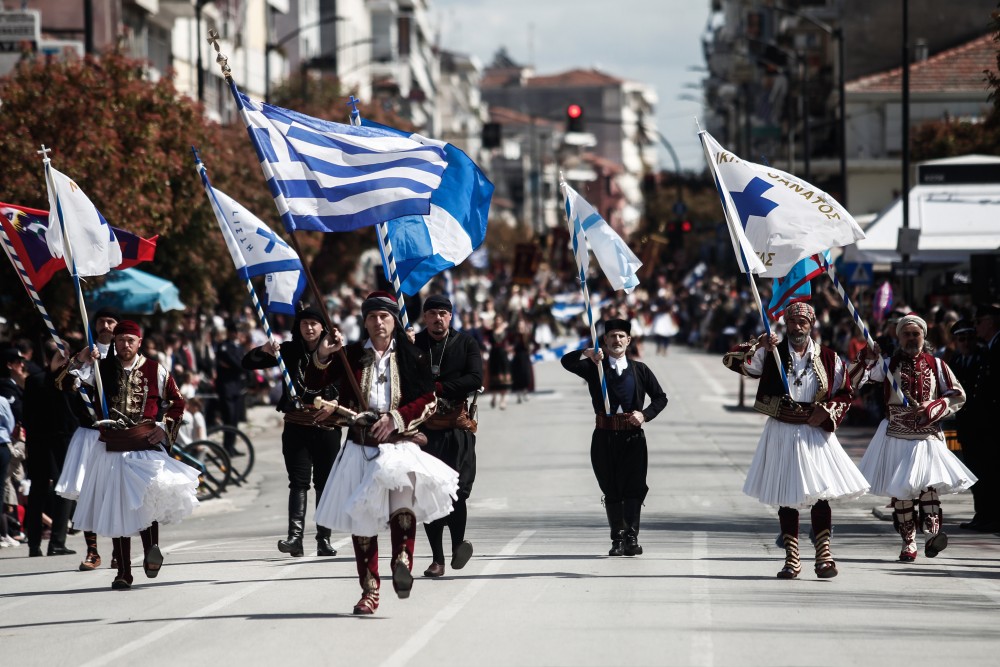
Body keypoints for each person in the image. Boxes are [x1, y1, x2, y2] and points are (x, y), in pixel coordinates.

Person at [314, 291, 459, 615]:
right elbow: (314, 387)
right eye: (372, 317)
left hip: (398, 446)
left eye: (384, 316)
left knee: (401, 504)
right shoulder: (350, 356)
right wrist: (323, 355)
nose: (378, 322)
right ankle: (369, 591)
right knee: (362, 524)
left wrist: (396, 417)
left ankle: (402, 560)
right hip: (360, 449)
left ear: (394, 320)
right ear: (364, 321)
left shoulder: (411, 356)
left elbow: (428, 399)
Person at [723, 303, 868, 579]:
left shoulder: (828, 357)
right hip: (782, 429)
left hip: (815, 432)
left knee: (821, 493)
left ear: (811, 325)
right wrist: (759, 344)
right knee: (786, 496)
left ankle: (824, 556)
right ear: (786, 325)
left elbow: (846, 392)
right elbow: (732, 361)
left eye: (803, 322)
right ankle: (792, 559)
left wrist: (825, 411)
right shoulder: (772, 353)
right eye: (793, 322)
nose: (798, 327)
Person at [64, 320, 199, 589]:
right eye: (120, 340)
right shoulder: (101, 369)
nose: (125, 345)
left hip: (144, 445)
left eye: (130, 340)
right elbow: (67, 383)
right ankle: (123, 572)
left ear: (139, 342)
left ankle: (152, 549)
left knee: (146, 503)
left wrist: (164, 429)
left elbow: (177, 402)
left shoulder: (155, 369)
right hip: (112, 446)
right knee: (118, 510)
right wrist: (80, 359)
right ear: (114, 342)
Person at [850, 313, 974, 562]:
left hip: (927, 435)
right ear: (899, 337)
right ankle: (908, 541)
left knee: (929, 488)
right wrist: (866, 357)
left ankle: (931, 534)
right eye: (906, 334)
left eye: (915, 334)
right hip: (896, 434)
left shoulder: (937, 365)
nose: (911, 338)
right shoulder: (887, 365)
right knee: (903, 493)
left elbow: (958, 395)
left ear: (923, 336)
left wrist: (934, 406)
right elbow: (853, 381)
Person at [561, 318, 668, 557]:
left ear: (629, 340)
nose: (617, 340)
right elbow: (566, 362)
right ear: (604, 341)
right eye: (612, 336)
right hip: (604, 437)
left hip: (633, 437)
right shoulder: (595, 369)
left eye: (621, 336)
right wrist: (587, 353)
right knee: (611, 488)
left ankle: (631, 537)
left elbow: (660, 398)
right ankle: (617, 538)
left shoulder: (640, 370)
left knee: (634, 487)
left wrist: (645, 415)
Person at [242, 306, 342, 558]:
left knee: (324, 484)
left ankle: (324, 539)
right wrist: (264, 350)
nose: (309, 328)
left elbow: (345, 384)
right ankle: (295, 538)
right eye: (304, 323)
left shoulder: (336, 351)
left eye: (314, 323)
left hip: (326, 426)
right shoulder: (288, 350)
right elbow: (248, 362)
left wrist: (335, 404)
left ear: (323, 327)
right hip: (296, 425)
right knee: (298, 482)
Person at [414, 294, 482, 578]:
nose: (437, 318)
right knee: (430, 493)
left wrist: (439, 388)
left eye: (443, 313)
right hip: (425, 429)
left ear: (450, 316)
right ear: (425, 317)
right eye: (432, 314)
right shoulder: (414, 343)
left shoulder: (466, 343)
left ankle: (457, 547)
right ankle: (437, 559)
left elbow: (475, 379)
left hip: (456, 426)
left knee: (458, 491)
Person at [54, 306, 119, 571]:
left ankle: (119, 550)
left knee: (115, 494)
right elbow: (61, 383)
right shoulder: (84, 355)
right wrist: (81, 360)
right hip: (88, 434)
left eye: (111, 321)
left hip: (114, 434)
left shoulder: (124, 356)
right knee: (86, 496)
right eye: (102, 321)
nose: (106, 325)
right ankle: (93, 551)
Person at [23, 340, 78, 557]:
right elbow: (28, 415)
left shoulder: (72, 381)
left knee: (63, 490)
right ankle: (34, 543)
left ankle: (57, 541)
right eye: (58, 357)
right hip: (40, 442)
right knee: (38, 490)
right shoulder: (36, 381)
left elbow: (73, 411)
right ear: (48, 358)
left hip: (64, 441)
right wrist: (54, 375)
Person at [961, 304, 1000, 531]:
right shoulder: (988, 348)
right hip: (982, 422)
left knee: (992, 470)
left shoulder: (996, 347)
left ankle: (992, 515)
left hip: (992, 422)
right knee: (982, 470)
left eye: (979, 322)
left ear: (990, 322)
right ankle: (985, 513)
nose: (976, 327)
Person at [0, 394, 18, 548]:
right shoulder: (1, 400)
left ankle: (4, 534)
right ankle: (3, 534)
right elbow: (9, 424)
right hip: (1, 444)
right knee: (1, 489)